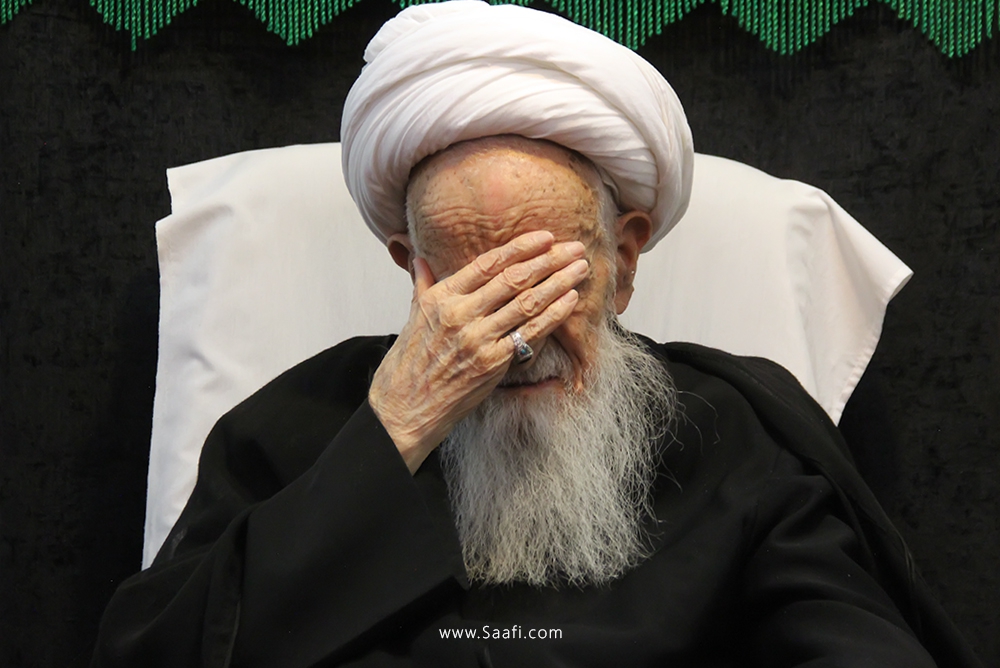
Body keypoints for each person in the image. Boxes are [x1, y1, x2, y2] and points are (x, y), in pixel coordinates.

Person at [92, 3, 981, 667]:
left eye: (547, 284)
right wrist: (393, 431)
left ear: (623, 259)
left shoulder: (733, 436)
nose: (516, 341)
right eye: (479, 288)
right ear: (413, 269)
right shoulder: (291, 430)